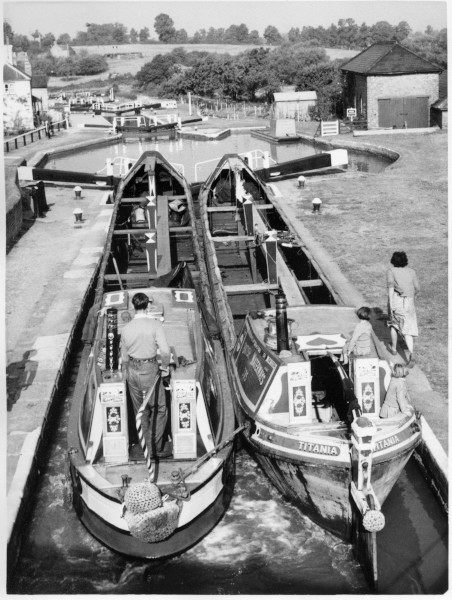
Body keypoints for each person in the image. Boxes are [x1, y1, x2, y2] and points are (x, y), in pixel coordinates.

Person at [120, 292, 172, 458]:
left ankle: (144, 445)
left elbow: (124, 357)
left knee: (140, 411)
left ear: (134, 307)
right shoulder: (155, 325)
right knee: (160, 409)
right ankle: (154, 447)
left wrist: (128, 371)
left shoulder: (126, 328)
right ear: (148, 306)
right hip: (150, 370)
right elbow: (165, 351)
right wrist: (164, 367)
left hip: (132, 372)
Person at [387, 251, 420, 368]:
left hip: (397, 300)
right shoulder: (412, 272)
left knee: (394, 324)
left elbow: (391, 288)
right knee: (408, 329)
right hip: (409, 302)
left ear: (393, 261)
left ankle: (394, 348)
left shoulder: (391, 271)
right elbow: (417, 288)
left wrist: (391, 305)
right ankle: (411, 354)